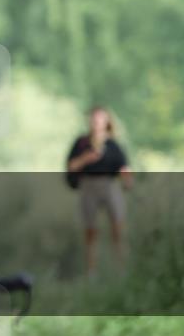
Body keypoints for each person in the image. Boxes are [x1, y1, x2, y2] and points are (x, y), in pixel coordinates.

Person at [66, 106, 132, 277]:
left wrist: (127, 180)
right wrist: (86, 158)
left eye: (99, 119)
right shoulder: (82, 143)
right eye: (93, 119)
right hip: (88, 185)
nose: (96, 122)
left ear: (106, 121)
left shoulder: (113, 144)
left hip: (109, 185)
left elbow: (123, 166)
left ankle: (121, 269)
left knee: (117, 227)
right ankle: (91, 272)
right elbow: (71, 166)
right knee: (90, 231)